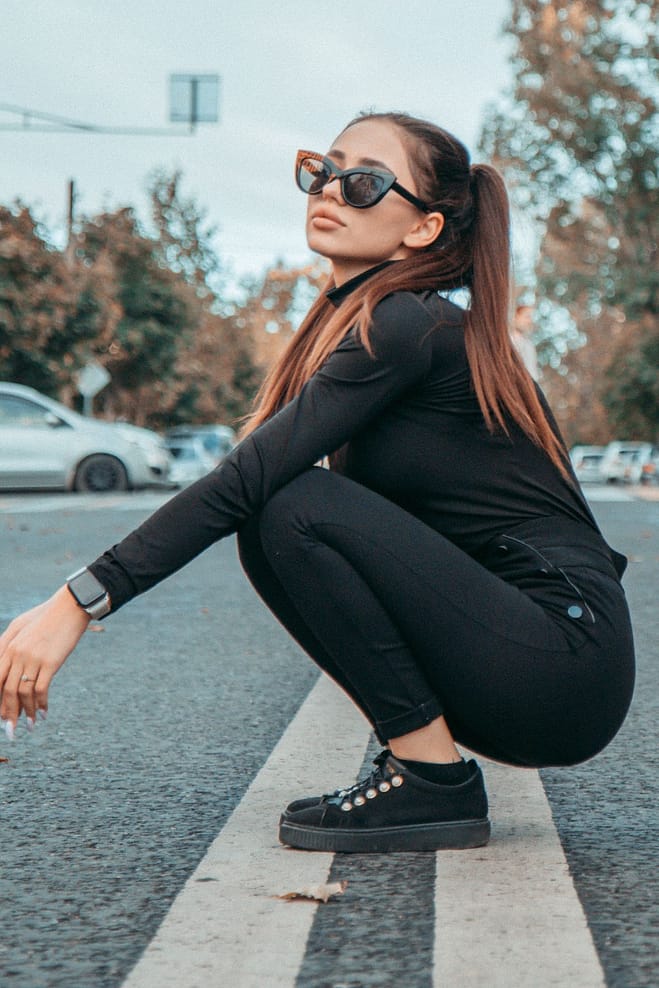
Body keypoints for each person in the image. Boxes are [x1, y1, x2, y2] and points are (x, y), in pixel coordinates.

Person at [0, 112, 635, 855]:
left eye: (363, 182)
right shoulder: (373, 323)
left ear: (422, 230)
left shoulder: (407, 326)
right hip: (533, 664)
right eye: (320, 170)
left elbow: (244, 479)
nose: (329, 190)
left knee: (288, 501)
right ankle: (423, 769)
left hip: (560, 659)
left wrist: (79, 601)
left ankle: (431, 781)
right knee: (278, 512)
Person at [510, 301, 540, 381]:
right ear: (515, 317)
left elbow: (532, 374)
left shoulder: (529, 346)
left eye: (531, 318)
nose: (529, 321)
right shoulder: (507, 343)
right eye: (527, 317)